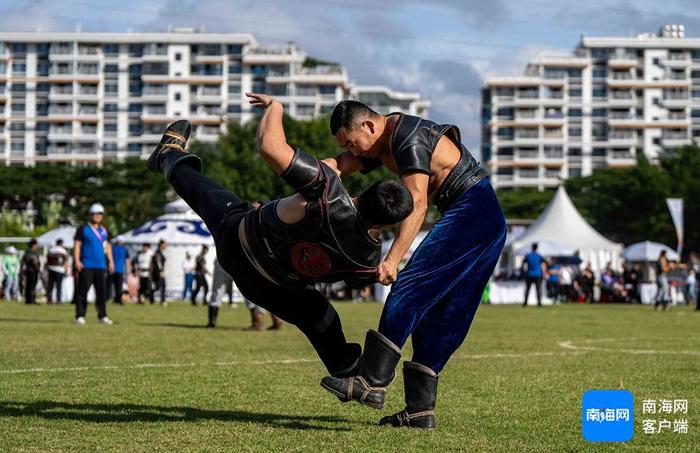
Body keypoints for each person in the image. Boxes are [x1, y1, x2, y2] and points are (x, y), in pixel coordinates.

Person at [145, 92, 412, 379]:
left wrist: (275, 107)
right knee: (320, 313)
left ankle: (168, 154)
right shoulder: (366, 257)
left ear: (365, 192)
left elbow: (270, 147)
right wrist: (389, 264)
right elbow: (368, 275)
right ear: (386, 226)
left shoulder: (327, 188)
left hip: (240, 242)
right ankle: (345, 370)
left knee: (206, 193)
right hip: (268, 288)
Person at [319, 100, 506, 429]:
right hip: (485, 216)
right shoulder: (380, 144)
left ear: (370, 127)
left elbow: (417, 203)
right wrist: (311, 170)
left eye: (351, 141)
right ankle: (420, 411)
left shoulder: (407, 137)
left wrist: (392, 259)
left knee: (408, 288)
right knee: (445, 315)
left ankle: (372, 382)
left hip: (473, 208)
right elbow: (341, 164)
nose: (352, 149)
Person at [73, 203, 114, 325]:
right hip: (86, 264)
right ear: (90, 214)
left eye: (100, 214)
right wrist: (77, 260)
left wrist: (111, 261)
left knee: (102, 292)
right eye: (95, 213)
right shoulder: (83, 229)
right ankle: (80, 315)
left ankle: (102, 315)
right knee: (82, 292)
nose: (97, 216)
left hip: (101, 266)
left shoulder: (104, 230)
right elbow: (77, 245)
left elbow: (107, 247)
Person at [45, 238, 69, 304]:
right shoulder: (63, 251)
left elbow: (47, 261)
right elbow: (65, 261)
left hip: (51, 268)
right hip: (60, 269)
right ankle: (58, 300)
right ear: (61, 243)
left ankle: (49, 299)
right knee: (59, 286)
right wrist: (66, 270)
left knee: (50, 285)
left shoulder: (51, 250)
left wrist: (46, 268)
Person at [108, 238, 129, 305]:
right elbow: (127, 260)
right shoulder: (124, 249)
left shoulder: (113, 248)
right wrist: (127, 270)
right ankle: (119, 299)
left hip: (112, 269)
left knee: (112, 285)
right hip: (120, 270)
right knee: (119, 286)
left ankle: (113, 298)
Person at [20, 239, 41, 304]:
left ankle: (28, 300)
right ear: (33, 245)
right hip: (32, 271)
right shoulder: (32, 252)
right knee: (32, 285)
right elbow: (34, 261)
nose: (37, 246)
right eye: (36, 245)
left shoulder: (26, 252)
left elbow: (22, 261)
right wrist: (37, 269)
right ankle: (31, 300)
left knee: (28, 286)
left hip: (27, 270)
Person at [150, 239, 167, 305]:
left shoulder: (160, 252)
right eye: (165, 245)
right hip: (158, 273)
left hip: (158, 272)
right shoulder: (158, 253)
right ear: (161, 245)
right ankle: (162, 301)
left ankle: (150, 295)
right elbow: (158, 263)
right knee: (162, 285)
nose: (166, 246)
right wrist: (161, 271)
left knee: (158, 287)